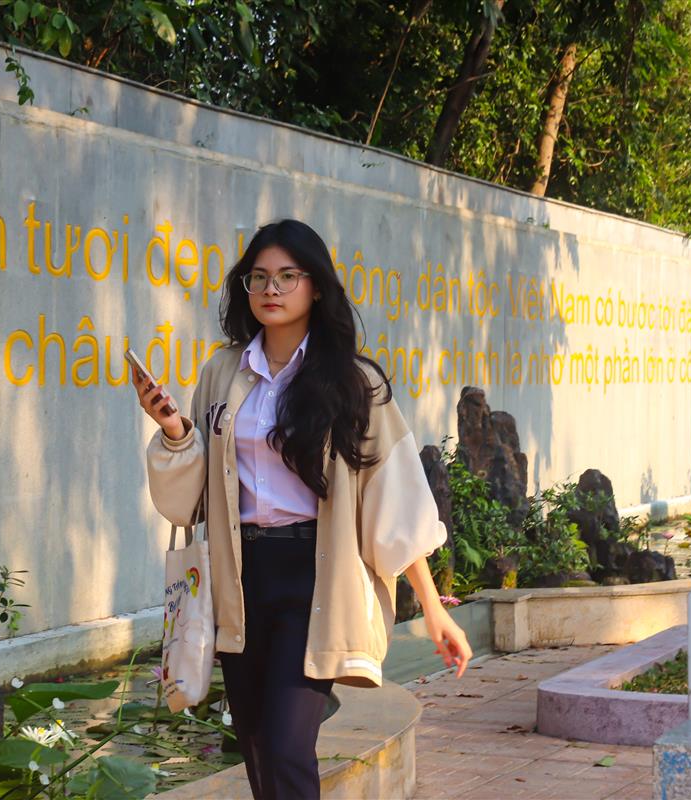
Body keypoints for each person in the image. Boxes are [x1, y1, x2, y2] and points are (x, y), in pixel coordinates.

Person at [133, 219, 472, 800]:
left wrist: (434, 608)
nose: (272, 288)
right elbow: (193, 500)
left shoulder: (354, 383)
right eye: (259, 277)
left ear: (315, 287)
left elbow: (391, 501)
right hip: (240, 581)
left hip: (315, 579)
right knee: (258, 749)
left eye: (287, 276)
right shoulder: (221, 373)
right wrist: (173, 430)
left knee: (287, 748)